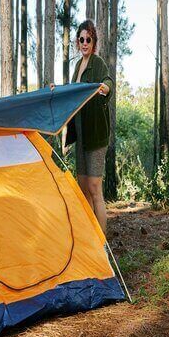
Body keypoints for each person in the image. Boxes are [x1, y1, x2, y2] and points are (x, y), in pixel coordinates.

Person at [65, 20, 113, 233]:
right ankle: (92, 241)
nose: (85, 43)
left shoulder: (98, 62)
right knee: (83, 189)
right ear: (78, 42)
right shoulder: (77, 66)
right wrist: (57, 89)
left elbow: (108, 81)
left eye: (88, 40)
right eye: (81, 39)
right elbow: (72, 93)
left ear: (94, 43)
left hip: (95, 135)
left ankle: (102, 246)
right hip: (81, 135)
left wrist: (105, 88)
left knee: (95, 189)